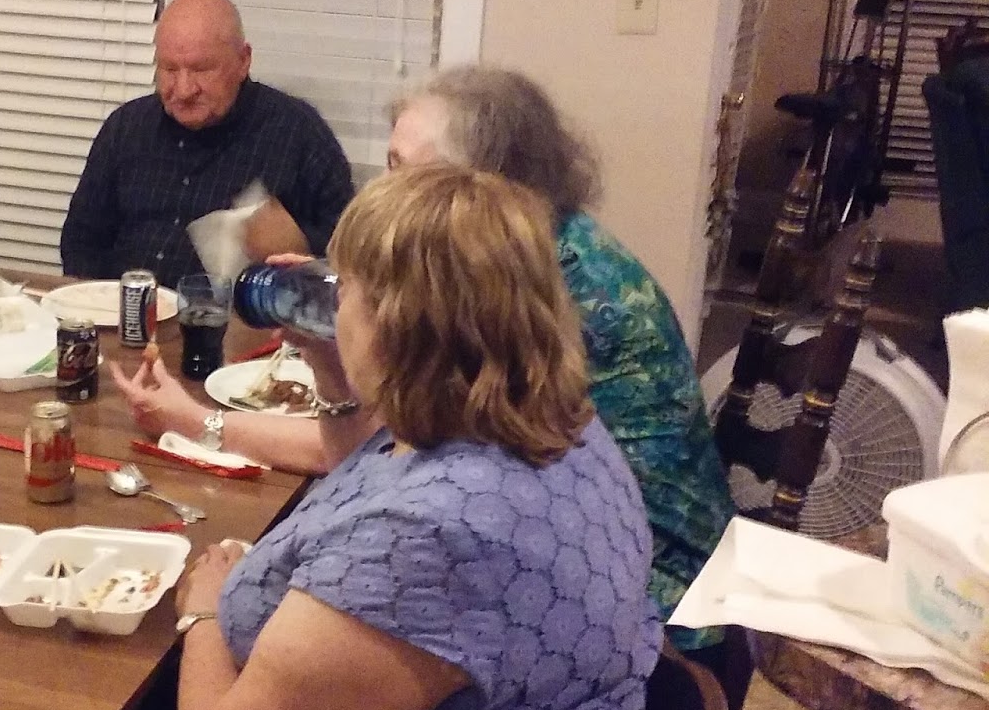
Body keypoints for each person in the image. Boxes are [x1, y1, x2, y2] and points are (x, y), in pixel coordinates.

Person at [115, 65, 736, 661]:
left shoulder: (538, 291)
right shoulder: (523, 251)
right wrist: (338, 320)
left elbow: (378, 448)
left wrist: (197, 422)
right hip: (566, 565)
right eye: (389, 166)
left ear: (478, 185)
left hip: (651, 614)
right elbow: (383, 449)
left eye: (406, 172)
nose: (383, 193)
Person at [171, 164, 661, 710]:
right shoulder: (548, 417)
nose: (333, 301)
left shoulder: (432, 538)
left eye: (346, 288)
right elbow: (369, 479)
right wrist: (332, 364)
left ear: (399, 324)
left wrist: (206, 612)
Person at [59, 0, 354, 287]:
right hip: (125, 307)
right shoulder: (127, 127)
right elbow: (81, 240)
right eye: (169, 69)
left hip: (231, 314)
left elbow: (352, 262)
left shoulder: (298, 133)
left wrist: (300, 246)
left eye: (201, 69)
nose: (184, 89)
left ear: (243, 61)